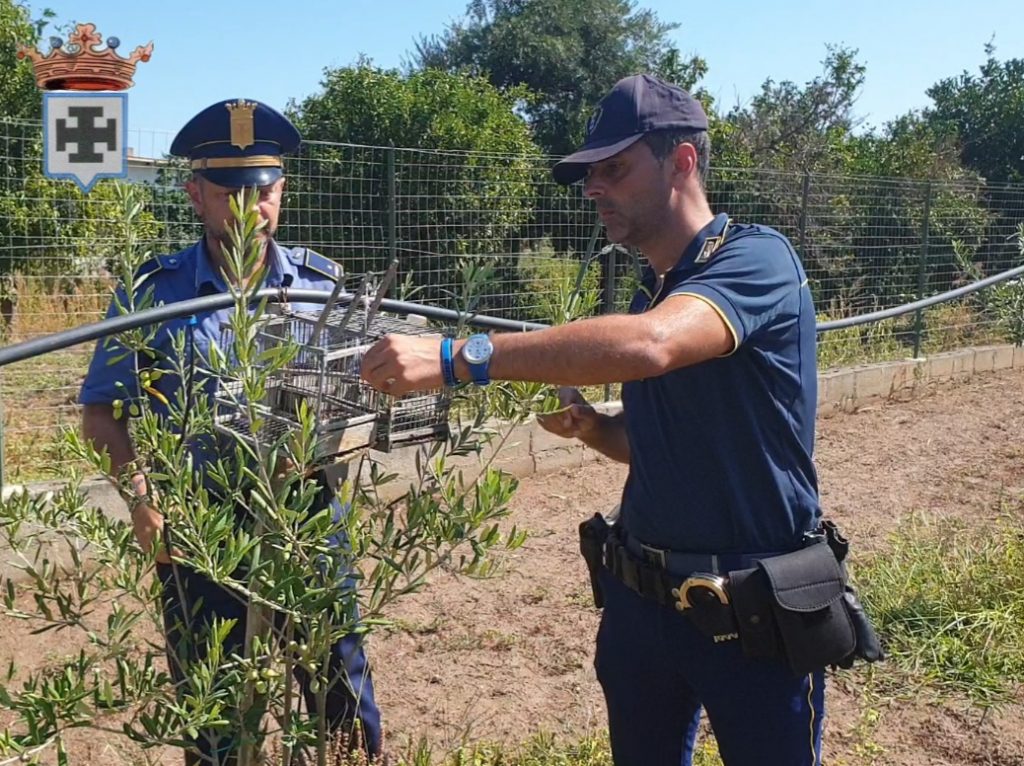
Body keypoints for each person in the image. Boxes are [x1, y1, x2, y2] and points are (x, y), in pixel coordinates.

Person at [360, 74, 827, 765]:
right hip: (644, 603)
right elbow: (660, 443)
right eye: (588, 175)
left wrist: (460, 356)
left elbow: (651, 346)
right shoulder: (654, 287)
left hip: (751, 610)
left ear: (682, 162)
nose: (593, 188)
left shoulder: (754, 260)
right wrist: (598, 429)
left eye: (614, 168)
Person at [80, 98, 382, 765]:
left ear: (283, 191)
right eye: (230, 191)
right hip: (195, 529)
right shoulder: (154, 294)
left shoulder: (320, 286)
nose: (250, 206)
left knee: (341, 694)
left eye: (266, 190)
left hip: (304, 518)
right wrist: (141, 499)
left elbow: (356, 395)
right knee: (214, 716)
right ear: (195, 194)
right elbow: (102, 411)